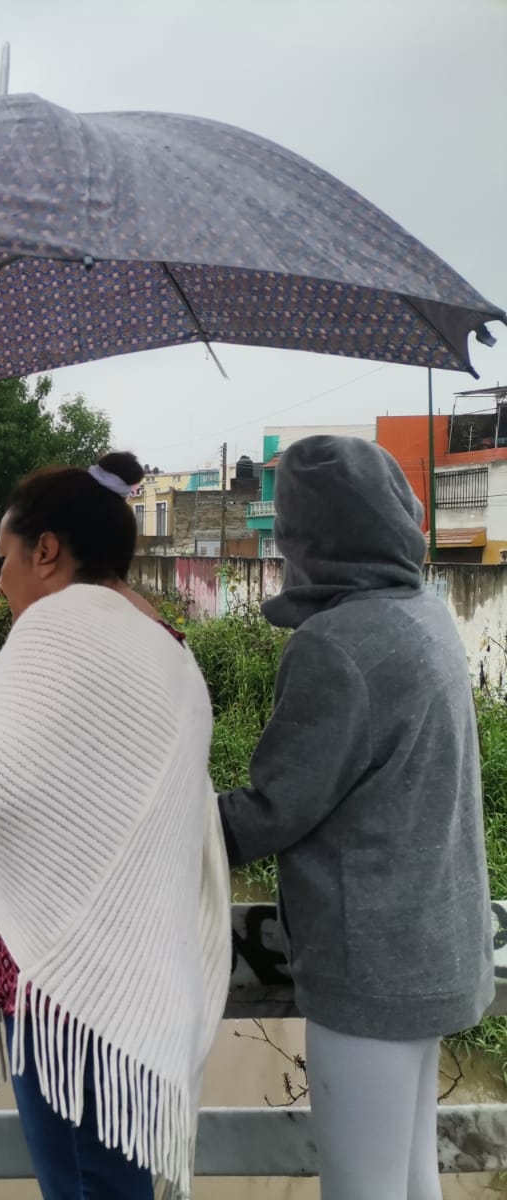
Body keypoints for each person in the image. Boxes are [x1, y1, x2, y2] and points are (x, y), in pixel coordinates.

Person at [0, 452, 230, 1200]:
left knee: (86, 1188)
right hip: (139, 977)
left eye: (4, 558)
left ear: (46, 550)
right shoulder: (163, 643)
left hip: (66, 993)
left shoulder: (53, 629)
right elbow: (88, 809)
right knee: (110, 1184)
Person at [217, 436, 491, 1200]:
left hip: (370, 971)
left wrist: (155, 831)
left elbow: (274, 807)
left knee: (361, 1189)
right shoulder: (422, 611)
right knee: (412, 1178)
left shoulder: (337, 644)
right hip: (435, 953)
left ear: (308, 538)